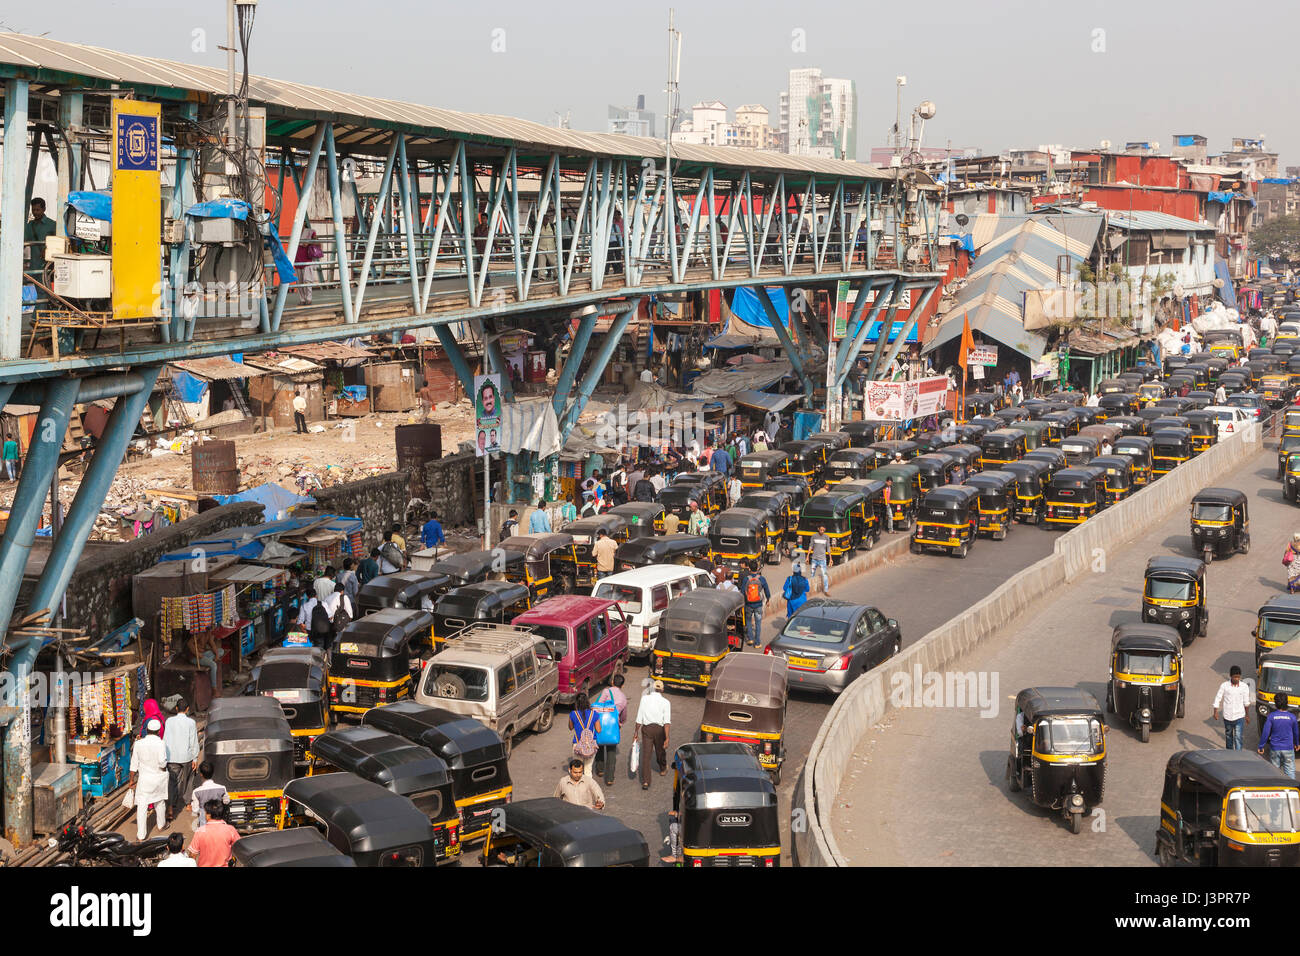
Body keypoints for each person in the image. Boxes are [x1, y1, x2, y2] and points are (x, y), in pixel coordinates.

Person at [128, 718, 169, 841]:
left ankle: (141, 835)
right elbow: (162, 763)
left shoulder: (139, 743)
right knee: (160, 802)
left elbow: (134, 764)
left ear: (147, 730)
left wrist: (131, 780)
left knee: (142, 806)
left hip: (144, 779)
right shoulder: (161, 743)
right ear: (158, 731)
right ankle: (161, 825)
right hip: (158, 778)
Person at [163, 698, 199, 824]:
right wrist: (195, 758)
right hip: (187, 757)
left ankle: (171, 807)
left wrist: (165, 757)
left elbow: (165, 740)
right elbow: (193, 741)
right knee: (189, 778)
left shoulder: (169, 721)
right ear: (188, 709)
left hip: (172, 757)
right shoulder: (191, 722)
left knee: (172, 782)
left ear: (176, 708)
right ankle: (188, 803)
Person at [633, 678, 671, 791]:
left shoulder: (644, 699)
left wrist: (635, 732)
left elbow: (639, 717)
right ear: (662, 690)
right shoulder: (666, 702)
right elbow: (667, 722)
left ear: (653, 688)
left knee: (646, 755)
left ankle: (645, 781)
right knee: (660, 751)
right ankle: (663, 768)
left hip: (647, 729)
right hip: (659, 729)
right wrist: (667, 738)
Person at [592, 674, 627, 787]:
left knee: (600, 746)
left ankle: (600, 770)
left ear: (612, 682)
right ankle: (610, 778)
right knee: (611, 752)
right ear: (622, 685)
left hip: (601, 724)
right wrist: (620, 722)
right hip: (614, 726)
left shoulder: (606, 692)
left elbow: (596, 706)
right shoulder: (623, 698)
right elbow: (623, 716)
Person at [1259, 693, 1300, 778]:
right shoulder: (1292, 717)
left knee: (1275, 773)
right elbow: (1296, 732)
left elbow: (1265, 732)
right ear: (1287, 703)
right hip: (1288, 748)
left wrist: (1261, 746)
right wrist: (1297, 743)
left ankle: (1277, 789)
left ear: (1275, 704)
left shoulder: (1271, 716)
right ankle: (1291, 789)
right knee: (1290, 772)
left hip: (1275, 748)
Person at [188, 799, 241, 867]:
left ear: (209, 815)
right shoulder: (230, 829)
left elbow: (192, 855)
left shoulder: (200, 831)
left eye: (205, 812)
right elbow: (239, 848)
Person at [1212, 665, 1252, 750]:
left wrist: (1247, 716)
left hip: (1239, 716)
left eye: (1238, 677)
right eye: (1235, 677)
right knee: (1229, 736)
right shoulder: (1224, 686)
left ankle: (1238, 756)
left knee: (1238, 737)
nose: (1236, 679)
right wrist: (1215, 711)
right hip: (1227, 716)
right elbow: (1218, 698)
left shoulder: (1244, 686)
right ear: (1230, 676)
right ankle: (1229, 754)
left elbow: (1246, 702)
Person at [568, 692, 601, 778]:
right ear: (587, 702)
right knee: (588, 769)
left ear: (576, 703)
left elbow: (570, 727)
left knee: (577, 770)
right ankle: (588, 788)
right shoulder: (594, 714)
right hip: (590, 745)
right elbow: (598, 730)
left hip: (577, 744)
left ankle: (577, 788)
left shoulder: (573, 714)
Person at [190, 760, 230, 830]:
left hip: (204, 824)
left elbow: (195, 810)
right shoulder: (222, 788)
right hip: (218, 821)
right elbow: (226, 801)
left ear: (201, 774)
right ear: (212, 773)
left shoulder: (196, 792)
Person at [740, 560, 770, 648]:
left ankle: (750, 638)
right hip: (759, 604)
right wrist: (768, 599)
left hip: (748, 604)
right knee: (758, 623)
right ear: (757, 568)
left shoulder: (746, 579)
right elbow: (767, 590)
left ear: (749, 568)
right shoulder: (761, 578)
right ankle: (757, 643)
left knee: (748, 621)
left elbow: (742, 591)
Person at [23, 197, 57, 274]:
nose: (35, 212)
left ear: (44, 209)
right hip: (34, 267)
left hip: (48, 267)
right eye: (33, 210)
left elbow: (59, 244)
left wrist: (47, 250)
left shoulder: (52, 225)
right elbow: (23, 242)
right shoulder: (29, 225)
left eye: (37, 210)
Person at [294, 225, 323, 305]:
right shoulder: (294, 231)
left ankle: (309, 298)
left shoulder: (311, 232)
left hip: (307, 259)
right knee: (299, 282)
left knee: (307, 280)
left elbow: (317, 241)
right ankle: (302, 299)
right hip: (297, 258)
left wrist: (308, 242)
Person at [804, 525, 832, 595]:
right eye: (821, 530)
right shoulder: (814, 536)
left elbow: (828, 548)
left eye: (823, 530)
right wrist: (807, 557)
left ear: (825, 530)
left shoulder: (826, 537)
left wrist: (830, 558)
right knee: (812, 575)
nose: (822, 531)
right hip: (814, 559)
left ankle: (826, 590)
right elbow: (811, 546)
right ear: (818, 529)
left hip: (822, 560)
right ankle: (810, 590)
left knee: (824, 575)